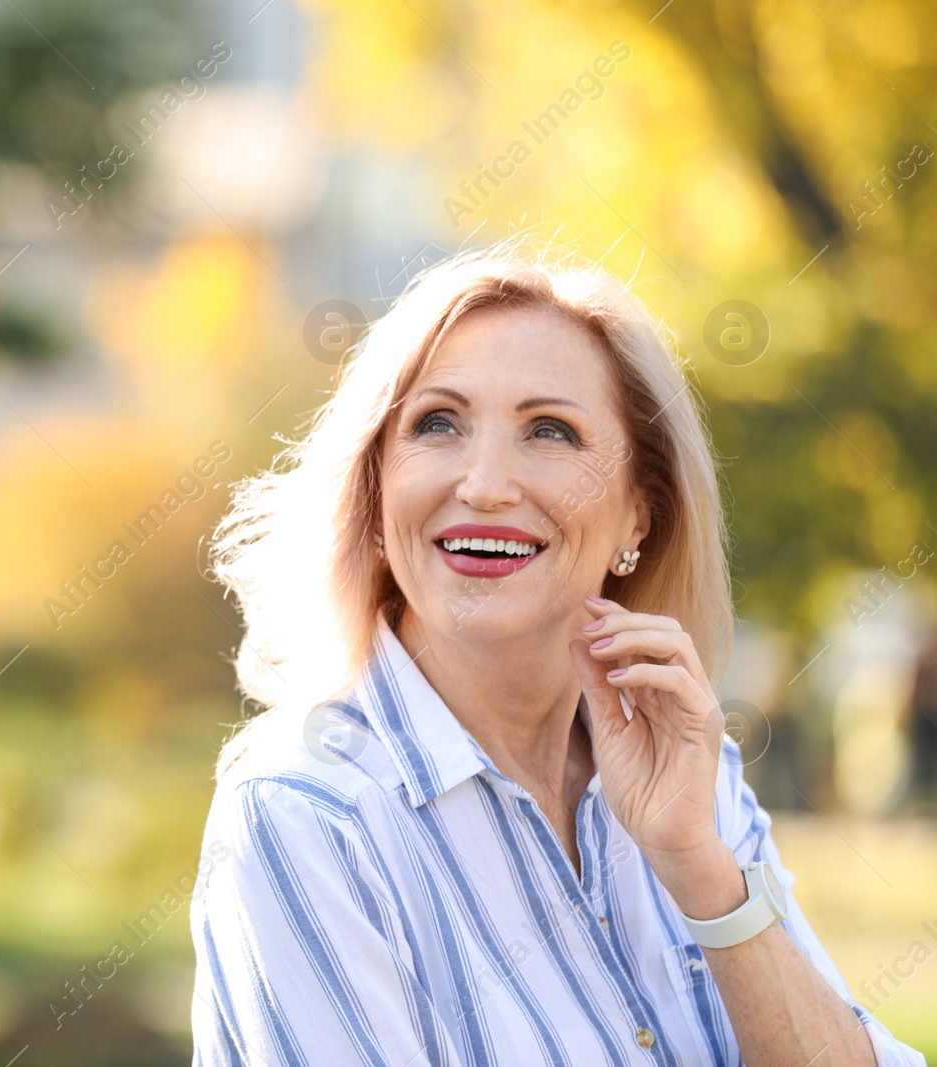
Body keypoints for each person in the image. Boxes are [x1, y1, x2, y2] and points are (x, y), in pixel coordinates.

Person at [189, 247, 926, 1066]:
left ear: (637, 520)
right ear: (374, 489)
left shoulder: (694, 777)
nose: (486, 484)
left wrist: (697, 865)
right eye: (437, 423)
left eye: (550, 431)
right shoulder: (307, 810)